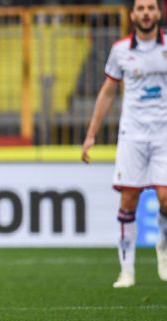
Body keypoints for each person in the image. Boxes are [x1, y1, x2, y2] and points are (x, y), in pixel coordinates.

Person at [82, 0, 167, 288]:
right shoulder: (120, 50)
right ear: (132, 15)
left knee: (166, 197)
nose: (145, 13)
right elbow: (107, 93)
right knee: (128, 199)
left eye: (150, 8)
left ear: (158, 12)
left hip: (164, 134)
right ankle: (127, 270)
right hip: (132, 135)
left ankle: (163, 246)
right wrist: (91, 134)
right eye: (140, 8)